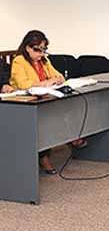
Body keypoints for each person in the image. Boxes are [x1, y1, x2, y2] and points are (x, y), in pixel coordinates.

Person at [10, 30, 84, 174]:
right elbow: (23, 84)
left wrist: (57, 79)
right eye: (38, 50)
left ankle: (71, 136)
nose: (41, 53)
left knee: (63, 109)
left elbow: (59, 76)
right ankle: (45, 157)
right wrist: (45, 83)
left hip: (44, 97)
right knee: (45, 120)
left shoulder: (44, 60)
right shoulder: (19, 61)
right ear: (28, 47)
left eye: (44, 49)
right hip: (24, 103)